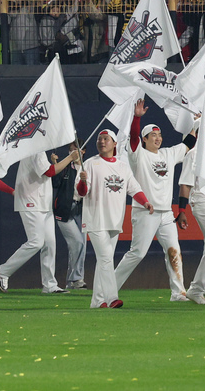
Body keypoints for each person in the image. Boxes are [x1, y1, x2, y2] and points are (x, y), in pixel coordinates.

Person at [114, 116, 196, 302]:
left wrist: (197, 124)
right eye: (153, 135)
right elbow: (134, 138)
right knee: (137, 253)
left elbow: (188, 143)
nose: (158, 138)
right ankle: (108, 288)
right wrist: (136, 118)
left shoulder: (168, 154)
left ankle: (178, 293)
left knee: (174, 250)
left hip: (166, 213)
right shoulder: (137, 155)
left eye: (159, 135)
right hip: (145, 212)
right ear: (145, 139)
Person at [77, 129, 154, 308]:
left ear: (114, 144)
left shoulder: (122, 167)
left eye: (106, 139)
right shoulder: (89, 164)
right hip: (96, 219)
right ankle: (111, 298)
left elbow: (134, 188)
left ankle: (97, 301)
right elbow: (82, 192)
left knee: (104, 261)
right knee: (105, 259)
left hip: (114, 221)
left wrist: (145, 202)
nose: (102, 142)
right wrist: (82, 180)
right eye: (99, 139)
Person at [0, 149, 78, 294]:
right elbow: (49, 172)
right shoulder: (36, 151)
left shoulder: (40, 151)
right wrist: (70, 158)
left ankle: (50, 284)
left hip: (43, 202)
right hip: (30, 201)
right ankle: (3, 271)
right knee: (36, 241)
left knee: (50, 243)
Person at [177, 145, 205, 306]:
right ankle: (196, 289)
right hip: (202, 201)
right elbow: (185, 184)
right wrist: (182, 210)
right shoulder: (193, 154)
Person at [52, 140, 88, 290]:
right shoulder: (65, 167)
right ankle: (75, 279)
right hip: (64, 209)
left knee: (82, 246)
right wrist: (54, 164)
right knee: (77, 242)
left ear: (83, 151)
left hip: (82, 209)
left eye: (76, 149)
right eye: (71, 149)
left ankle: (73, 281)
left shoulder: (88, 168)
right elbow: (54, 183)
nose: (73, 152)